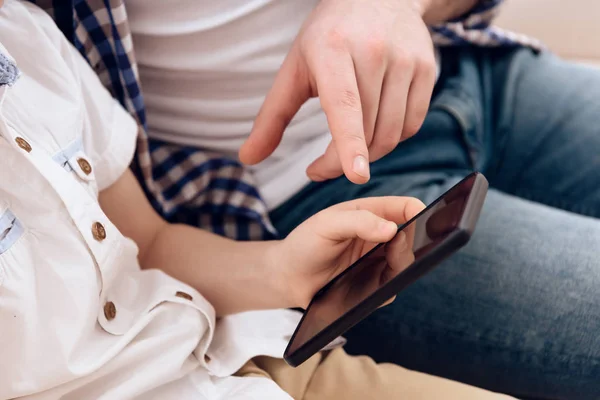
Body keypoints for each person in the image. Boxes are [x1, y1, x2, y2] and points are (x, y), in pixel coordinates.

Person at [28, 0, 600, 399]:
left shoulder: (29, 48)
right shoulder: (28, 41)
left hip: (469, 65)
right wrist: (278, 269)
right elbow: (142, 244)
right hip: (292, 206)